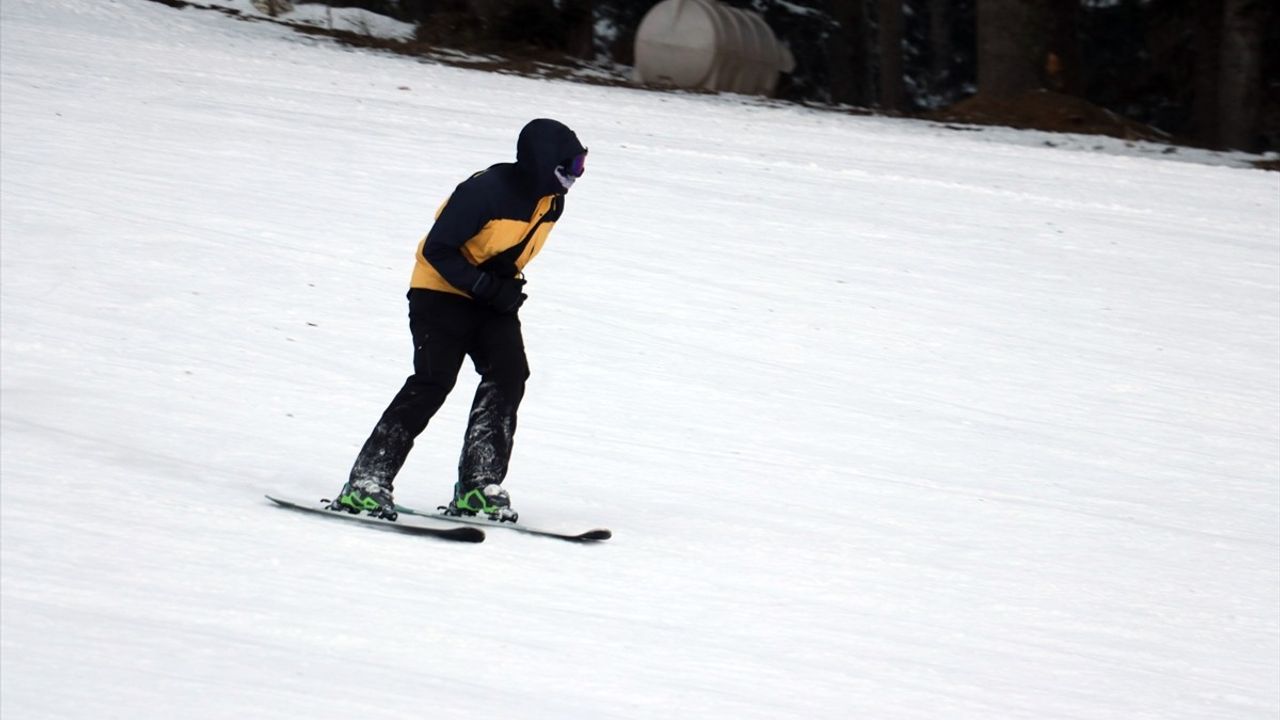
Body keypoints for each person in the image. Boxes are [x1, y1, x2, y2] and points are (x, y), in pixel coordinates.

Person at [331, 118, 588, 523]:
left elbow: (503, 250)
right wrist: (486, 286)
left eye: (581, 166)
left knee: (509, 375)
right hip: (439, 293)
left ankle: (478, 487)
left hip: (486, 298)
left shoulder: (551, 201)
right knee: (434, 380)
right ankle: (367, 481)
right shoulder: (485, 191)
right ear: (542, 161)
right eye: (571, 166)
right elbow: (437, 249)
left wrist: (503, 282)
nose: (577, 176)